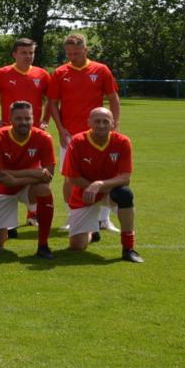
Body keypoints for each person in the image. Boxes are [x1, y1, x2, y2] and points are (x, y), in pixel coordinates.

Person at [47, 33, 122, 233]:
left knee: (106, 175)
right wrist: (60, 129)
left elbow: (113, 98)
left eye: (77, 53)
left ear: (86, 50)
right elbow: (52, 103)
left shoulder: (101, 70)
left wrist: (114, 125)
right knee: (70, 178)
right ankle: (73, 217)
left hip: (99, 134)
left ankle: (104, 220)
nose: (73, 57)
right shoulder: (60, 72)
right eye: (69, 53)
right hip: (70, 135)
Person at [62, 108, 142, 262]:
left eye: (105, 121)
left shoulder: (122, 142)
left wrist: (98, 185)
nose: (101, 125)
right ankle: (93, 232)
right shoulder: (77, 141)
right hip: (85, 192)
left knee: (125, 194)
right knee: (77, 246)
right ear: (89, 123)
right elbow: (72, 178)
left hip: (110, 191)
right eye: (97, 121)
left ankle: (128, 248)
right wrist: (92, 187)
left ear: (113, 123)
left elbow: (125, 178)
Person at [0, 101, 56, 259]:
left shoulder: (44, 137)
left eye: (27, 118)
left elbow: (48, 176)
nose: (23, 122)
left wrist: (15, 178)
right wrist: (33, 173)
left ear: (33, 119)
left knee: (44, 188)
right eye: (18, 118)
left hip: (28, 188)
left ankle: (43, 245)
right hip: (2, 189)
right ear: (10, 119)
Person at [0, 37, 51, 128]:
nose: (28, 56)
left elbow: (52, 99)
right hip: (9, 128)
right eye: (23, 53)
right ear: (14, 54)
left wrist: (46, 119)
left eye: (31, 53)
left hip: (34, 129)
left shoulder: (43, 74)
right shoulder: (3, 73)